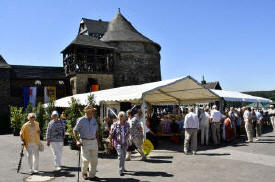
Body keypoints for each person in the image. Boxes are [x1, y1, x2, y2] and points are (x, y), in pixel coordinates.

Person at [73, 106, 101, 181]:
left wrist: (98, 142)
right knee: (86, 160)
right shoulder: (81, 120)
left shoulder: (94, 120)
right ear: (87, 112)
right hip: (84, 141)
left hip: (94, 141)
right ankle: (84, 173)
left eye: (93, 111)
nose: (93, 112)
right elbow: (75, 130)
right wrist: (77, 140)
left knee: (94, 160)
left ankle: (92, 175)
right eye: (92, 111)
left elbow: (96, 132)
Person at [109, 111, 130, 176]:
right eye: (120, 116)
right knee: (121, 156)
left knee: (123, 156)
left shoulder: (127, 124)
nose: (121, 117)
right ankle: (121, 170)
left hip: (125, 143)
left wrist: (128, 138)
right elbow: (111, 134)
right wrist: (110, 142)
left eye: (122, 116)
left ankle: (123, 167)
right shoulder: (115, 125)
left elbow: (129, 132)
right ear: (118, 117)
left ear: (124, 117)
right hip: (117, 143)